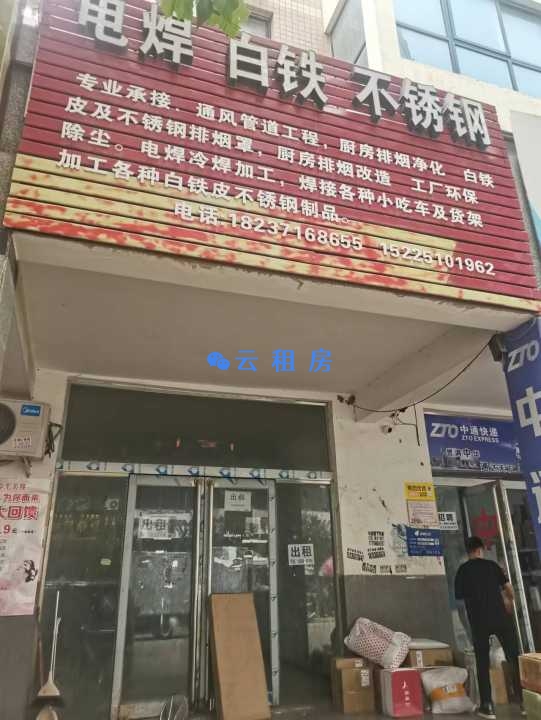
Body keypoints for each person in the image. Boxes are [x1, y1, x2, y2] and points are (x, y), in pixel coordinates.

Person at [455, 536, 523, 720]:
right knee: (513, 657)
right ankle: (523, 701)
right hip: (501, 619)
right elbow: (508, 589)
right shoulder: (492, 566)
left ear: (468, 551)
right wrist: (509, 601)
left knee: (482, 663)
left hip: (479, 622)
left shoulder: (462, 571)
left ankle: (487, 706)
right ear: (480, 549)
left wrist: (467, 626)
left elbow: (460, 602)